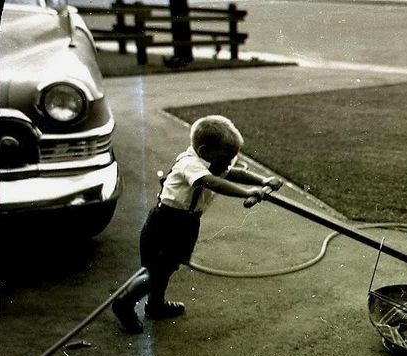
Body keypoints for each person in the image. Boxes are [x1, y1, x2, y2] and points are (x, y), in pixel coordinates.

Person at [112, 115, 282, 333]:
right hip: (166, 223)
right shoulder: (190, 164)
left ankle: (155, 305)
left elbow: (232, 173)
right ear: (203, 151)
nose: (227, 164)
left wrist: (263, 181)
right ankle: (124, 304)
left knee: (167, 268)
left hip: (186, 223)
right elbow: (211, 182)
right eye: (225, 158)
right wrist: (247, 193)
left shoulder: (212, 162)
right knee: (155, 272)